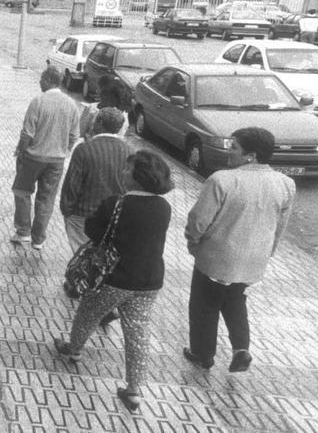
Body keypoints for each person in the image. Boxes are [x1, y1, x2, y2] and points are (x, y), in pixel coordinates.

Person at [53, 150, 174, 414]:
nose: (123, 172)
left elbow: (92, 231)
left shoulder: (115, 204)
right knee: (138, 331)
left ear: (136, 176)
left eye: (127, 169)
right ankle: (133, 391)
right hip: (150, 279)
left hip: (115, 277)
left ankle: (73, 350)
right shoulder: (164, 207)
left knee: (88, 312)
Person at [183, 127, 295, 373]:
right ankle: (240, 349)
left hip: (216, 257)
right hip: (254, 260)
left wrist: (193, 241)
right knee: (235, 300)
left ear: (250, 155)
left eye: (234, 147)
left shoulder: (222, 179)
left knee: (205, 304)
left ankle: (203, 354)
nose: (228, 151)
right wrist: (268, 252)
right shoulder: (286, 184)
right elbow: (280, 226)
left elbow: (199, 220)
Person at [11, 65, 83, 249]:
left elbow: (27, 133)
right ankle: (38, 239)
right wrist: (63, 151)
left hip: (33, 157)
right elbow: (74, 135)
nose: (39, 82)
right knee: (47, 198)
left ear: (49, 81)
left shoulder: (38, 101)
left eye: (42, 79)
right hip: (56, 161)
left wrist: (21, 151)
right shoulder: (71, 105)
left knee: (22, 192)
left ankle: (23, 232)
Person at [59, 108, 130, 254]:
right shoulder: (129, 150)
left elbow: (72, 184)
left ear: (99, 123)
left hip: (83, 213)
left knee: (82, 254)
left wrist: (67, 209)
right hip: (114, 216)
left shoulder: (84, 149)